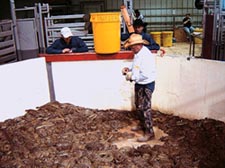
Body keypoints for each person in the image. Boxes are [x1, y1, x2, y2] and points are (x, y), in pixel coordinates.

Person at [122, 33, 156, 142]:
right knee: (139, 106)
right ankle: (143, 125)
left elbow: (145, 74)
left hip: (146, 84)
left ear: (138, 45)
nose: (131, 48)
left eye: (132, 46)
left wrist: (131, 77)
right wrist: (129, 69)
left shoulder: (146, 56)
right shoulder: (137, 53)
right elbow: (135, 66)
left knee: (145, 108)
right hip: (140, 83)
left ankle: (150, 132)